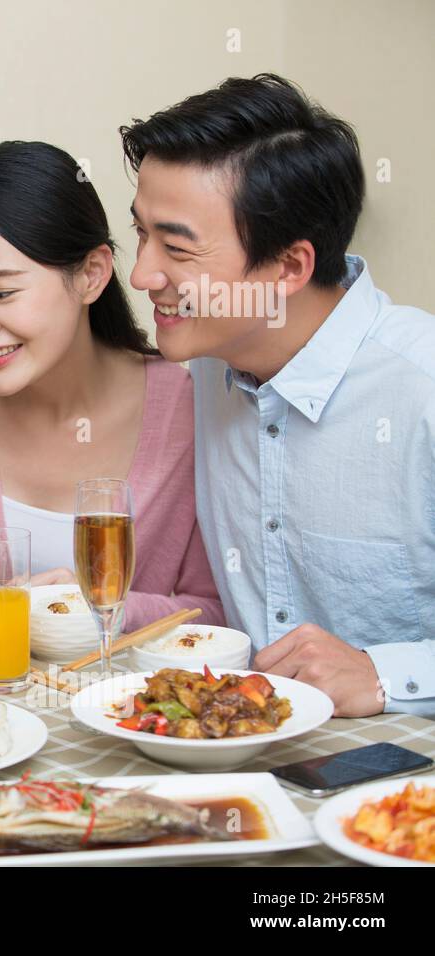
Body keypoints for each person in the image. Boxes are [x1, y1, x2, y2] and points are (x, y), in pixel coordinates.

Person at [121, 73, 435, 717]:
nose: (143, 274)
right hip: (253, 766)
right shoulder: (211, 365)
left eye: (176, 248)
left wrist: (386, 674)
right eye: (141, 235)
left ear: (289, 267)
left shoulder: (420, 385)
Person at [0, 141, 223, 633]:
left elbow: (209, 610)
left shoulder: (182, 406)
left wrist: (105, 610)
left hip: (114, 701)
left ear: (90, 275)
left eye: (2, 293)